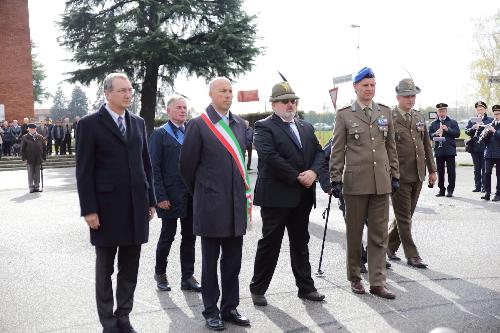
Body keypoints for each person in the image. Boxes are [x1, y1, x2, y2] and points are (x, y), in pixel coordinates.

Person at [75, 73, 156, 333]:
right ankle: (108, 322)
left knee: (129, 269)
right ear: (107, 93)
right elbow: (84, 171)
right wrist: (89, 209)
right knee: (105, 270)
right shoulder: (89, 124)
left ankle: (123, 317)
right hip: (106, 210)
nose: (128, 94)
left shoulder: (138, 122)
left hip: (136, 207)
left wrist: (151, 200)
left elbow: (146, 164)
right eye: (122, 90)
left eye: (130, 90)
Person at [180, 77, 250, 331]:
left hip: (236, 207)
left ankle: (230, 307)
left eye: (231, 90)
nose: (228, 94)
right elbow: (186, 168)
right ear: (211, 95)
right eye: (223, 91)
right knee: (210, 263)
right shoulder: (198, 125)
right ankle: (211, 310)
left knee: (233, 262)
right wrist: (204, 193)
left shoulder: (240, 125)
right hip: (211, 206)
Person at [249, 82, 326, 307]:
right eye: (285, 101)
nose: (290, 104)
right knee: (270, 243)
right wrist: (297, 176)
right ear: (274, 104)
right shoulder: (264, 127)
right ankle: (258, 288)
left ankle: (306, 288)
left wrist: (313, 172)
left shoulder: (305, 127)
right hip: (277, 196)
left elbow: (319, 153)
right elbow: (269, 156)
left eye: (293, 100)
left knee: (301, 242)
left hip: (302, 196)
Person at [329, 67, 400, 299]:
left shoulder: (385, 112)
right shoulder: (344, 114)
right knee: (354, 233)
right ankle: (355, 277)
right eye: (365, 85)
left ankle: (378, 282)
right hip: (355, 184)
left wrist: (395, 174)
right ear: (356, 87)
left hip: (381, 182)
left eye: (372, 85)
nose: (369, 89)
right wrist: (335, 178)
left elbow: (391, 147)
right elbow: (337, 149)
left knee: (379, 234)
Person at [149, 96, 201, 293]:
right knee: (167, 236)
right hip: (168, 197)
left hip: (190, 196)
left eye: (185, 107)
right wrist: (159, 197)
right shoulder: (160, 134)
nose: (182, 110)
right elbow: (154, 168)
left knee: (190, 237)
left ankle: (187, 277)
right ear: (168, 111)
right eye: (178, 107)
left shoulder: (191, 132)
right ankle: (160, 272)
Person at [386, 79, 437, 268]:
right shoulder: (389, 117)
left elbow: (426, 145)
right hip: (398, 176)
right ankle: (412, 255)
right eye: (407, 96)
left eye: (413, 96)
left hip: (418, 174)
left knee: (406, 215)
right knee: (404, 217)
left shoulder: (419, 117)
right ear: (398, 96)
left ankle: (388, 247)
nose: (410, 99)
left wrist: (432, 169)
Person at [429, 103, 460, 197]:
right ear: (437, 112)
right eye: (439, 111)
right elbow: (429, 136)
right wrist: (435, 133)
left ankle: (450, 190)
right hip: (439, 151)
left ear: (446, 111)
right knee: (440, 171)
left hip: (450, 150)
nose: (441, 113)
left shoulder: (453, 122)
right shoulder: (433, 123)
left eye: (443, 111)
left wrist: (448, 129)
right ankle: (441, 190)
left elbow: (457, 134)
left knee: (451, 171)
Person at [465, 101, 493, 192]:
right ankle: (477, 186)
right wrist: (473, 128)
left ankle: (485, 187)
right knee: (476, 168)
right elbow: (466, 131)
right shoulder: (472, 120)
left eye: (481, 109)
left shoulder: (489, 120)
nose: (480, 111)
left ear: (485, 110)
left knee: (484, 168)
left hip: (485, 146)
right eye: (478, 109)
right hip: (474, 147)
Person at [480, 104, 500, 201]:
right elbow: (485, 141)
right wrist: (483, 135)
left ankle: (498, 194)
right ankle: (487, 193)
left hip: (499, 153)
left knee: (499, 174)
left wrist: (495, 131)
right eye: (495, 114)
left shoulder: (494, 126)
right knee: (487, 173)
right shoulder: (491, 123)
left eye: (498, 114)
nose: (496, 116)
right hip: (489, 153)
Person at [20, 124, 46, 193]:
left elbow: (44, 148)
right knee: (30, 173)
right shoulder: (25, 137)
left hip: (38, 158)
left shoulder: (40, 137)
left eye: (34, 129)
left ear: (36, 129)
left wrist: (44, 157)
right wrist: (24, 158)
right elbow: (22, 149)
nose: (32, 130)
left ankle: (37, 187)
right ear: (28, 129)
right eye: (31, 129)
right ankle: (31, 187)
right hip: (29, 158)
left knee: (37, 173)